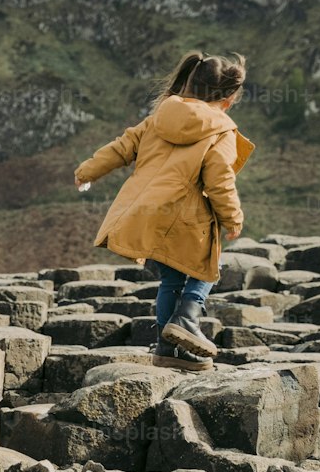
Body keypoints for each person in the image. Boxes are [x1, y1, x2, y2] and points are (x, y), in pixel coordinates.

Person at [74, 50, 254, 372]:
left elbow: (121, 147)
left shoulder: (158, 118)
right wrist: (232, 217)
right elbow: (219, 177)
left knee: (171, 279)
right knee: (206, 269)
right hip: (184, 217)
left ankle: (167, 348)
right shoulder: (221, 130)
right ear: (227, 99)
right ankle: (187, 317)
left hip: (145, 214)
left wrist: (88, 170)